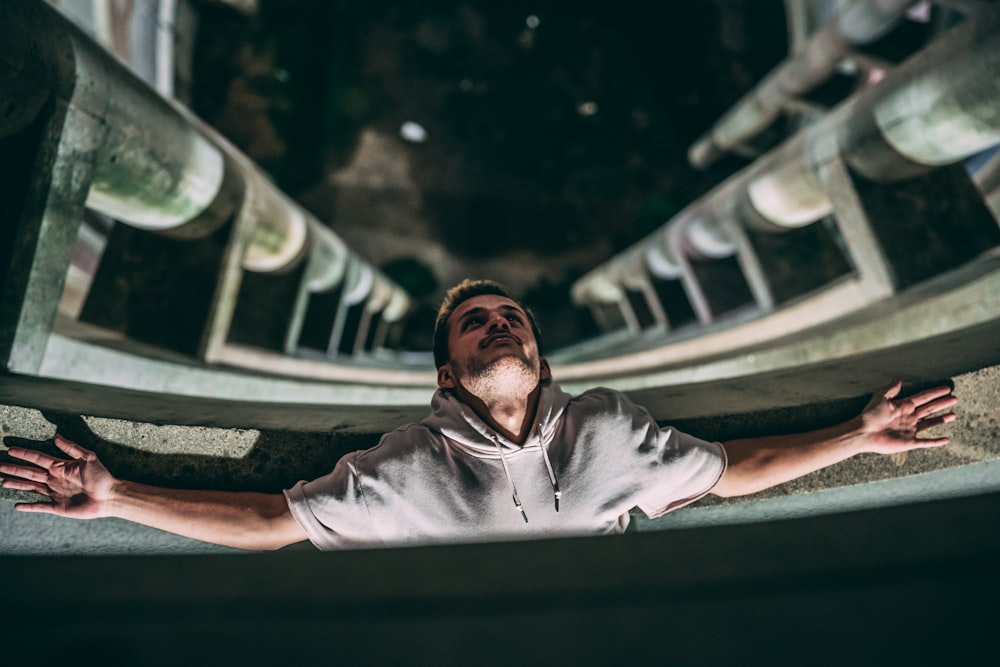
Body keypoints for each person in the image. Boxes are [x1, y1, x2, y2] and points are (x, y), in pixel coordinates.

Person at [0, 280, 957, 550]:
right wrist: (117, 494)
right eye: (475, 322)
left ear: (538, 355)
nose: (497, 324)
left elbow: (727, 469)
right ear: (449, 372)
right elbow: (271, 523)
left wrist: (857, 435)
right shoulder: (404, 468)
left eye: (511, 319)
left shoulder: (612, 430)